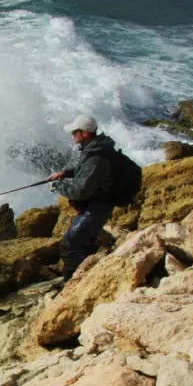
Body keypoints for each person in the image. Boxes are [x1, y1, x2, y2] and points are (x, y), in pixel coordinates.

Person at [47, 114, 117, 280]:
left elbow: (81, 191)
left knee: (69, 245)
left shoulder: (96, 155)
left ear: (84, 133)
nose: (72, 135)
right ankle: (86, 277)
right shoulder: (94, 148)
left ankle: (71, 283)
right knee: (85, 245)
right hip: (96, 205)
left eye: (74, 132)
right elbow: (82, 168)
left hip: (98, 207)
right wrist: (65, 173)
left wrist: (59, 186)